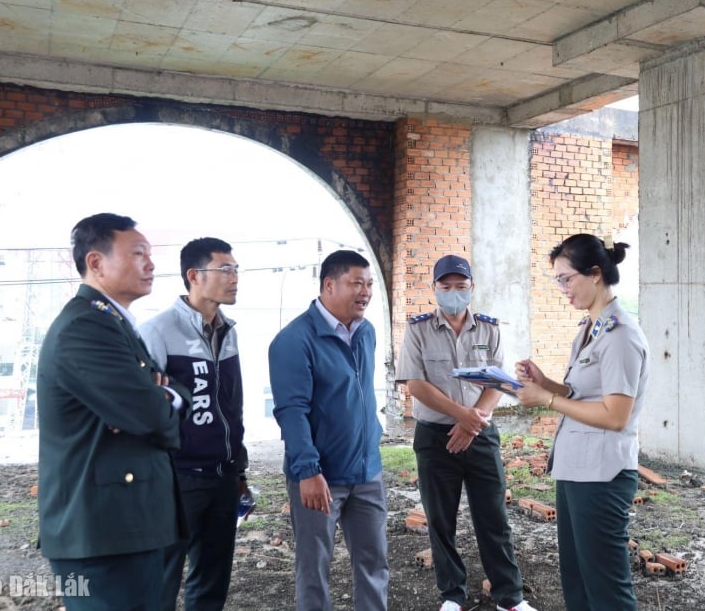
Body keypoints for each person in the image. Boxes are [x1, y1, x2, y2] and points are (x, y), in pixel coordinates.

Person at [36, 213, 189, 611]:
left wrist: (164, 397)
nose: (151, 264)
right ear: (96, 262)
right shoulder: (86, 326)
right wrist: (158, 401)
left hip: (128, 526)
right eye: (138, 254)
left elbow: (167, 396)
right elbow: (151, 415)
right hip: (103, 534)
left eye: (150, 254)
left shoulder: (114, 322)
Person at [513, 233, 649, 611]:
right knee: (578, 583)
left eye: (566, 279)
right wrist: (546, 384)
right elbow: (583, 394)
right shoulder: (590, 328)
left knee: (606, 590)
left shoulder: (620, 335)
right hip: (576, 469)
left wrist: (548, 399)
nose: (562, 289)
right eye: (557, 280)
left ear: (595, 274)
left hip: (602, 475)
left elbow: (616, 415)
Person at [396, 254, 538, 611]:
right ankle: (451, 596)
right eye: (446, 287)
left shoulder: (489, 328)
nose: (454, 293)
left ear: (472, 288)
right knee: (441, 521)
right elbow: (415, 384)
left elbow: (499, 382)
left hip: (480, 435)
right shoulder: (418, 330)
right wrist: (462, 416)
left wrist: (472, 423)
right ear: (435, 290)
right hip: (434, 437)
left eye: (461, 287)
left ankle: (510, 597)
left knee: (493, 518)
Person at [268, 249, 388, 611]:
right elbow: (291, 412)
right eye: (356, 283)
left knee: (374, 562)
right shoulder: (293, 340)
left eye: (369, 284)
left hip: (367, 472)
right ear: (329, 285)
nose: (365, 291)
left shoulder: (365, 332)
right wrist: (308, 471)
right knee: (314, 566)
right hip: (320, 477)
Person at [140, 237, 249, 611]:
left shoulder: (228, 331)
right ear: (194, 276)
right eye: (225, 269)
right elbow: (145, 409)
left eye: (236, 270)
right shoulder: (158, 331)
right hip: (177, 480)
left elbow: (232, 406)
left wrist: (239, 468)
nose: (235, 278)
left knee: (212, 581)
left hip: (222, 476)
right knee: (161, 580)